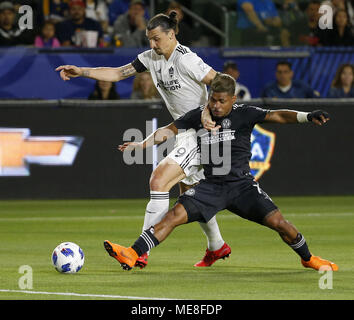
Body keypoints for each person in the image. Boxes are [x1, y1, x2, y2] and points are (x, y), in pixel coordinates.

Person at [104, 73, 338, 273]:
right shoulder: (199, 116)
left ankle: (308, 259)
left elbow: (278, 115)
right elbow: (168, 130)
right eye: (213, 100)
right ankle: (132, 253)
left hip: (243, 187)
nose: (215, 106)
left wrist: (307, 117)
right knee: (173, 216)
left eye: (221, 101)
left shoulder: (245, 113)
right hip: (212, 187)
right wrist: (141, 145)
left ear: (233, 100)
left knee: (280, 224)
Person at [55, 12, 231, 269]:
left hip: (200, 134)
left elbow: (222, 83)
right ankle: (217, 246)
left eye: (157, 39)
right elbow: (116, 74)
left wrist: (208, 110)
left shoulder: (187, 60)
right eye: (149, 39)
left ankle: (139, 252)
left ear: (172, 35)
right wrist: (82, 71)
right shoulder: (150, 58)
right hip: (183, 132)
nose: (152, 45)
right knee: (190, 195)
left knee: (159, 180)